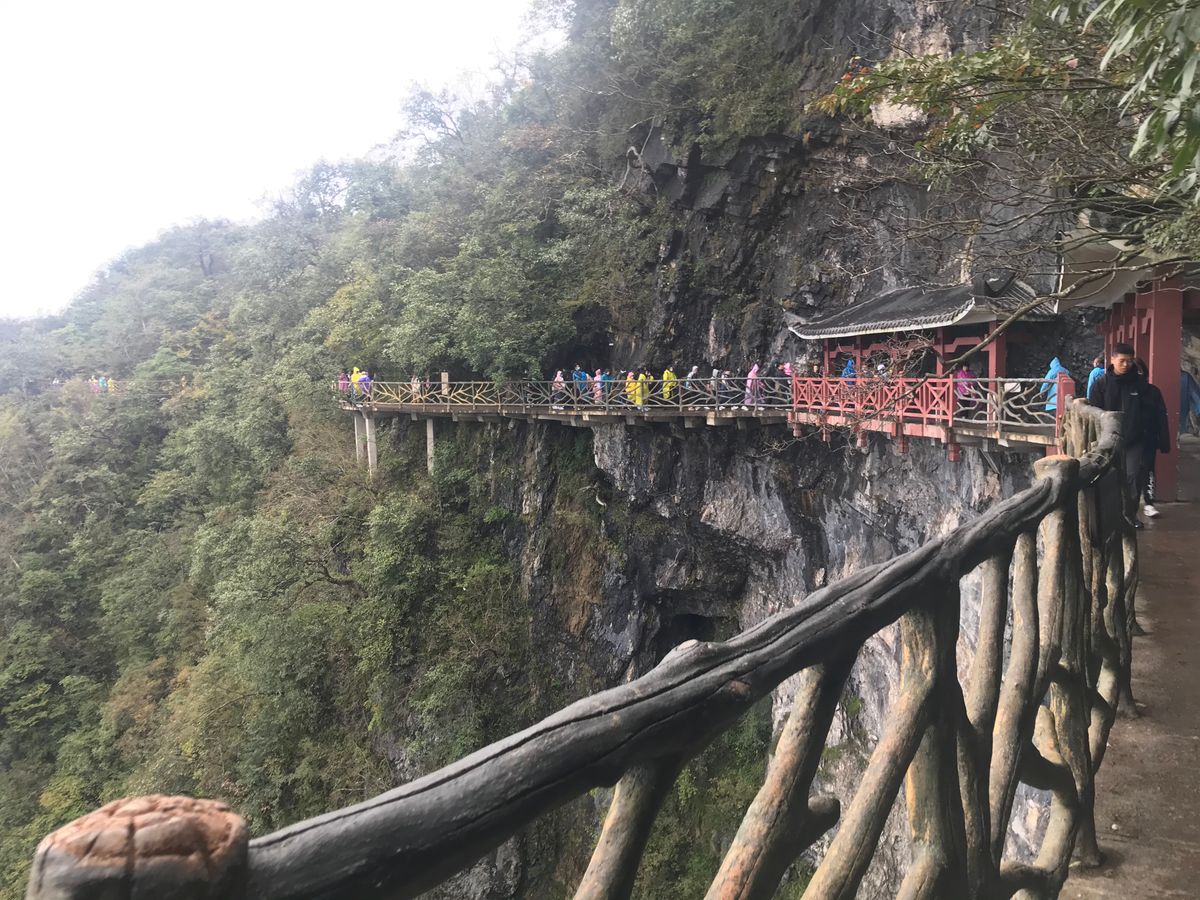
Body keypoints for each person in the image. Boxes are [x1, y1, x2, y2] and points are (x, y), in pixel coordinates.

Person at [1088, 343, 1170, 525]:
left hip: (1135, 440)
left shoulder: (1142, 386)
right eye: (1122, 361)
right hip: (1107, 441)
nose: (1126, 365)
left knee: (1133, 478)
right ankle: (1108, 518)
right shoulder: (1100, 385)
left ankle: (1129, 517)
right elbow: (1092, 414)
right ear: (1112, 360)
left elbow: (1153, 414)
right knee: (1107, 478)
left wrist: (1160, 440)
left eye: (1130, 361)